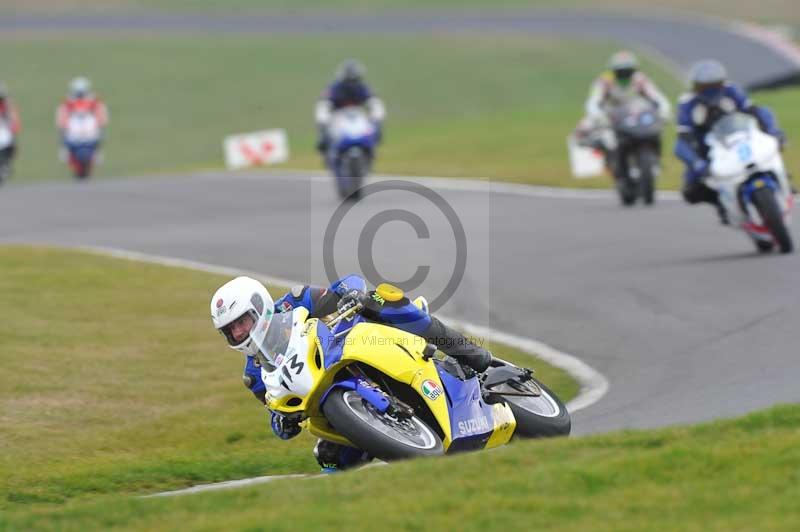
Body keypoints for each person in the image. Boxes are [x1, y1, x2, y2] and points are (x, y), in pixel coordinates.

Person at [210, 275, 492, 472]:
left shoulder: (293, 302)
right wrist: (282, 425)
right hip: (330, 398)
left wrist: (351, 294)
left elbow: (347, 283)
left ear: (259, 307)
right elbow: (274, 410)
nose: (238, 333)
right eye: (230, 331)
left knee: (382, 299)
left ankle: (469, 352)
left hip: (357, 344)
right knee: (329, 458)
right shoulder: (254, 374)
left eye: (242, 322)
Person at [674, 59, 786, 223]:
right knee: (691, 190)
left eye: (714, 85)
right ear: (696, 86)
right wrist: (698, 163)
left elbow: (756, 112)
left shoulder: (732, 91)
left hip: (741, 137)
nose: (710, 91)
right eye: (704, 87)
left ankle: (782, 181)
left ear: (721, 83)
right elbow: (682, 139)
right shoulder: (687, 103)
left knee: (771, 143)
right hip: (709, 149)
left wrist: (773, 132)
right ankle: (721, 204)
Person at [580, 51, 672, 175]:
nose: (624, 74)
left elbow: (657, 96)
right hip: (612, 119)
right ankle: (611, 163)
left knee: (655, 131)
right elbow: (593, 102)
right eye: (621, 71)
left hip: (637, 117)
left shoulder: (640, 80)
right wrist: (598, 116)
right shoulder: (605, 81)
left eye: (628, 71)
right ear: (613, 71)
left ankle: (655, 161)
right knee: (597, 135)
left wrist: (664, 110)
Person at [314, 59, 386, 154]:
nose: (351, 81)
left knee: (376, 109)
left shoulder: (362, 87)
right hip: (339, 116)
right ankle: (323, 138)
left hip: (358, 115)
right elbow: (325, 103)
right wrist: (324, 125)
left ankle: (374, 140)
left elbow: (373, 102)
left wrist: (377, 124)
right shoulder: (335, 87)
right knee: (322, 110)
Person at [56, 77, 109, 171]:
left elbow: (101, 116)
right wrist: (63, 127)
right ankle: (66, 152)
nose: (80, 94)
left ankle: (97, 152)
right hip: (73, 132)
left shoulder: (94, 101)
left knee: (99, 139)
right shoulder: (68, 102)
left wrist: (100, 124)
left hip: (90, 132)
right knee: (64, 142)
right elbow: (62, 117)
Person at [0, 82, 22, 177]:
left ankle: (5, 165)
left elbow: (14, 119)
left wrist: (14, 128)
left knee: (11, 146)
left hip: (4, 132)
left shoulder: (7, 106)